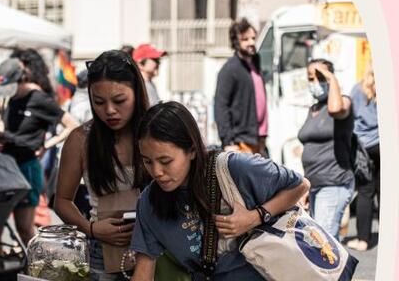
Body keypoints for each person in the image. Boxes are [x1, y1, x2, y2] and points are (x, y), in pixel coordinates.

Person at [130, 102, 309, 280]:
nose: (156, 172)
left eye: (165, 161)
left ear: (192, 150)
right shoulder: (149, 202)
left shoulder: (234, 168)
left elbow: (300, 185)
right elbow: (144, 268)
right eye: (147, 161)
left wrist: (256, 216)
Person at [54, 50, 151, 280]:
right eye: (98, 101)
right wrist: (91, 229)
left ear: (137, 93)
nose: (109, 110)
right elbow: (62, 201)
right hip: (103, 250)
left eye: (119, 101)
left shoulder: (155, 131)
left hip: (155, 246)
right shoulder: (81, 139)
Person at [0, 57, 78, 245]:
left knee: (25, 229)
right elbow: (7, 125)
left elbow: (72, 125)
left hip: (27, 168)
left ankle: (38, 271)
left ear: (22, 79)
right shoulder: (9, 98)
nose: (9, 94)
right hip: (7, 167)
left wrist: (47, 145)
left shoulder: (39, 99)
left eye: (12, 87)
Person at [298, 59, 354, 241]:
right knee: (320, 245)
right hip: (315, 185)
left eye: (319, 77)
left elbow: (335, 109)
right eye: (310, 78)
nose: (314, 83)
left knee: (323, 245)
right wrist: (305, 186)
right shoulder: (313, 108)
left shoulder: (344, 101)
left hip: (333, 183)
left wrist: (331, 78)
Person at [213, 18, 268, 156]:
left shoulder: (256, 62)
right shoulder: (230, 69)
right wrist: (227, 142)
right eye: (245, 39)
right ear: (236, 42)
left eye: (253, 38)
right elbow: (221, 106)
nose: (251, 43)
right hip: (241, 141)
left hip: (259, 139)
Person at [348, 68, 378, 251]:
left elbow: (349, 118)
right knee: (387, 194)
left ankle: (363, 240)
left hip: (365, 148)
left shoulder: (357, 90)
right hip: (386, 144)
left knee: (366, 192)